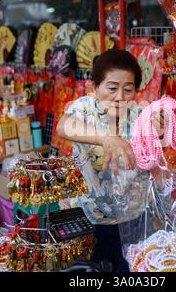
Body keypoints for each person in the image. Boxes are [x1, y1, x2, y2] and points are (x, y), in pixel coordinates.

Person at [57, 49, 148, 272]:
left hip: (131, 219)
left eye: (128, 89)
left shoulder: (139, 114)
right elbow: (63, 125)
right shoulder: (84, 109)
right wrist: (105, 138)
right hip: (90, 218)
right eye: (112, 88)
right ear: (95, 87)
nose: (120, 97)